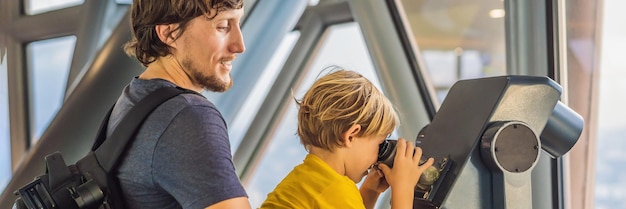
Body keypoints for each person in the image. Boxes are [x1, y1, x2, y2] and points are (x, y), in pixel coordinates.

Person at [110, 0, 250, 208]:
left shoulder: (134, 99)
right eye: (222, 26)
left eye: (238, 23)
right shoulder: (187, 116)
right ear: (169, 34)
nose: (239, 45)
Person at [260, 69, 435, 209]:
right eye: (379, 144)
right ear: (351, 135)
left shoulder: (307, 179)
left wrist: (369, 193)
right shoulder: (336, 190)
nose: (377, 159)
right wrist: (403, 189)